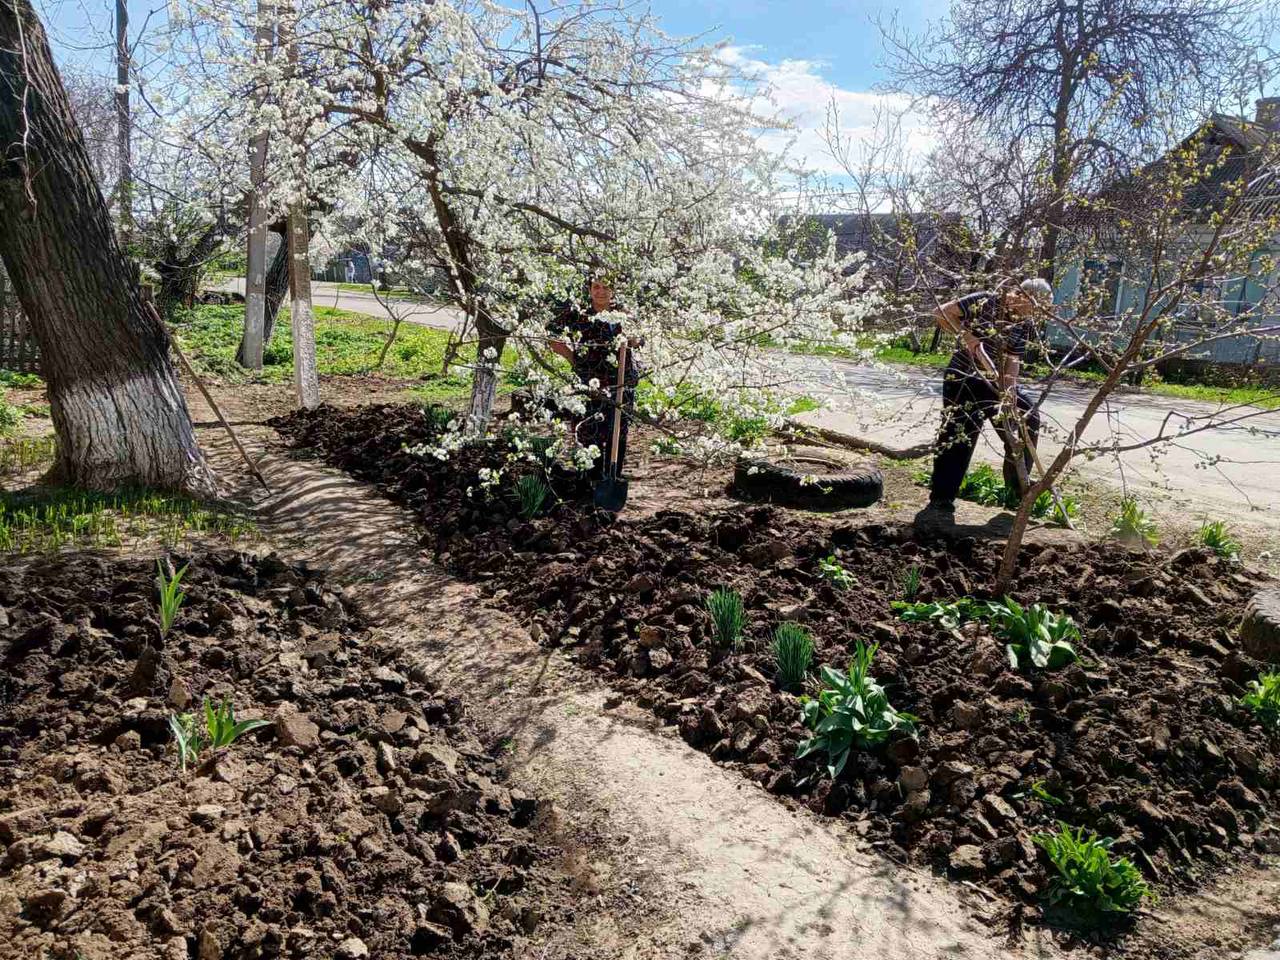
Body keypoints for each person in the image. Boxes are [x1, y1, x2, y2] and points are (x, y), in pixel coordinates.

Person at [915, 277, 1054, 531]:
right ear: (1022, 296)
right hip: (963, 379)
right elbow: (942, 312)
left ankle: (1018, 485)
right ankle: (941, 501)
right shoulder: (985, 301)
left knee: (1028, 416)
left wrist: (1010, 392)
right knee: (958, 436)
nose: (1036, 313)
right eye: (1035, 306)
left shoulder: (1024, 323)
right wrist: (967, 337)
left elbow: (1013, 359)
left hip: (995, 384)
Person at [548, 276, 642, 481]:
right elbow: (551, 335)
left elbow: (638, 339)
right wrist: (573, 359)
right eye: (596, 287)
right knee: (589, 428)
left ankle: (612, 476)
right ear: (589, 290)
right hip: (589, 381)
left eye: (606, 287)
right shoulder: (578, 313)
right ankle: (590, 478)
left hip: (621, 380)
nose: (601, 291)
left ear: (613, 290)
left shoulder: (623, 314)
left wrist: (632, 340)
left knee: (617, 430)